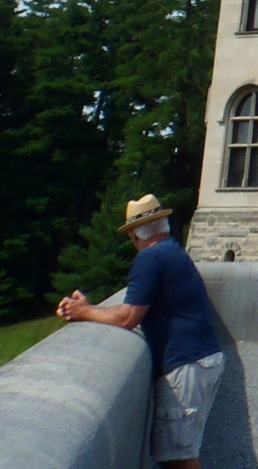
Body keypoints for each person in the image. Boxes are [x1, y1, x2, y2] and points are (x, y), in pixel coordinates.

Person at [56, 195, 225, 469]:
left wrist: (82, 312)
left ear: (136, 235)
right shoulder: (172, 250)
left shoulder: (150, 257)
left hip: (185, 364)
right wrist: (91, 308)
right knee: (179, 454)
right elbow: (132, 310)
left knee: (179, 459)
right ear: (163, 226)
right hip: (201, 358)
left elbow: (128, 317)